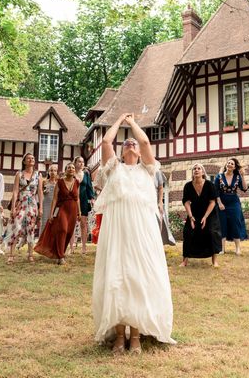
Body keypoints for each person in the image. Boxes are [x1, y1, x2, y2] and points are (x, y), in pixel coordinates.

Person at [92, 113, 175, 354]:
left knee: (138, 278)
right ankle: (120, 335)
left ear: (139, 153)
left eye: (133, 144)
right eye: (126, 142)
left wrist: (132, 123)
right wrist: (119, 119)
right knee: (117, 278)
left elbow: (147, 143)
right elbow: (106, 143)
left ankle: (136, 335)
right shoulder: (113, 168)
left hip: (141, 232)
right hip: (117, 231)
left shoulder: (147, 170)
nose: (130, 143)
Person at [34, 162, 80, 264]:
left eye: (73, 168)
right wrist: (51, 214)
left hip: (73, 210)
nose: (71, 169)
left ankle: (60, 253)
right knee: (62, 229)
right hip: (62, 209)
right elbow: (54, 199)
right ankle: (61, 256)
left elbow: (78, 199)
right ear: (65, 170)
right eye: (69, 168)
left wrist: (79, 212)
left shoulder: (77, 182)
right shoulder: (59, 182)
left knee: (68, 233)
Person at [181, 163, 222, 268]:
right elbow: (186, 201)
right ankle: (185, 260)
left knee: (212, 231)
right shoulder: (188, 186)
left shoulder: (210, 185)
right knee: (188, 232)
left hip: (209, 212)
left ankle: (214, 261)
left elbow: (213, 202)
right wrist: (190, 217)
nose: (196, 170)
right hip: (194, 212)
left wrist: (205, 217)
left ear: (203, 172)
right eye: (194, 168)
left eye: (199, 168)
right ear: (192, 172)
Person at [5, 153, 43, 264]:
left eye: (33, 158)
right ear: (24, 161)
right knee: (16, 227)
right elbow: (15, 191)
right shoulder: (19, 174)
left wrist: (40, 208)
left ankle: (30, 254)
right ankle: (11, 255)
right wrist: (13, 207)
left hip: (32, 205)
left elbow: (40, 192)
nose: (31, 159)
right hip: (20, 204)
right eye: (28, 158)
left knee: (31, 228)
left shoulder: (38, 175)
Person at [214, 157, 249, 255]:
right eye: (228, 163)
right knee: (222, 224)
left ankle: (238, 248)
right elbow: (215, 191)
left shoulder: (237, 177)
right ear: (226, 165)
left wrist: (242, 176)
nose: (229, 164)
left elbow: (244, 188)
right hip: (222, 202)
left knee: (236, 222)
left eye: (232, 164)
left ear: (234, 167)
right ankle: (222, 249)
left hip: (234, 202)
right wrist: (219, 203)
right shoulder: (219, 176)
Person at [70, 156, 95, 254]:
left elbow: (89, 187)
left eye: (82, 162)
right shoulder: (71, 173)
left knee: (83, 224)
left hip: (84, 200)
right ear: (75, 163)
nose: (81, 163)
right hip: (72, 200)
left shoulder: (86, 174)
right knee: (71, 224)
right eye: (79, 162)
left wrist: (92, 198)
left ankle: (84, 247)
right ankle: (71, 247)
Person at [155, 169, 176, 246]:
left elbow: (160, 187)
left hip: (155, 202)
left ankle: (158, 243)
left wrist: (160, 201)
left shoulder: (157, 171)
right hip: (143, 203)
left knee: (158, 222)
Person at [40, 164, 59, 236]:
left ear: (57, 172)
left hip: (56, 205)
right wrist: (44, 192)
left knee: (55, 222)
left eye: (55, 171)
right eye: (51, 170)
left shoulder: (58, 183)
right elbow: (39, 193)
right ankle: (42, 241)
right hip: (46, 204)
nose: (53, 172)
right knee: (44, 222)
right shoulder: (44, 182)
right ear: (48, 172)